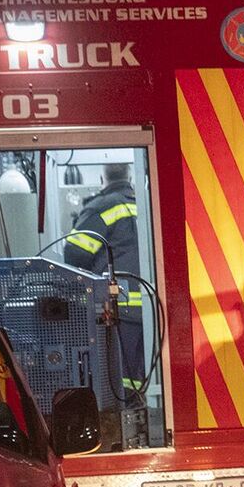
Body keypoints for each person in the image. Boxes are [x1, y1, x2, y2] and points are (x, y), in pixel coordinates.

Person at [64, 162, 146, 391]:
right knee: (138, 376)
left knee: (116, 378)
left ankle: (122, 419)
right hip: (147, 310)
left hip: (118, 308)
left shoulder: (103, 206)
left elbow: (75, 251)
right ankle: (138, 413)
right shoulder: (145, 204)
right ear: (129, 175)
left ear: (103, 178)